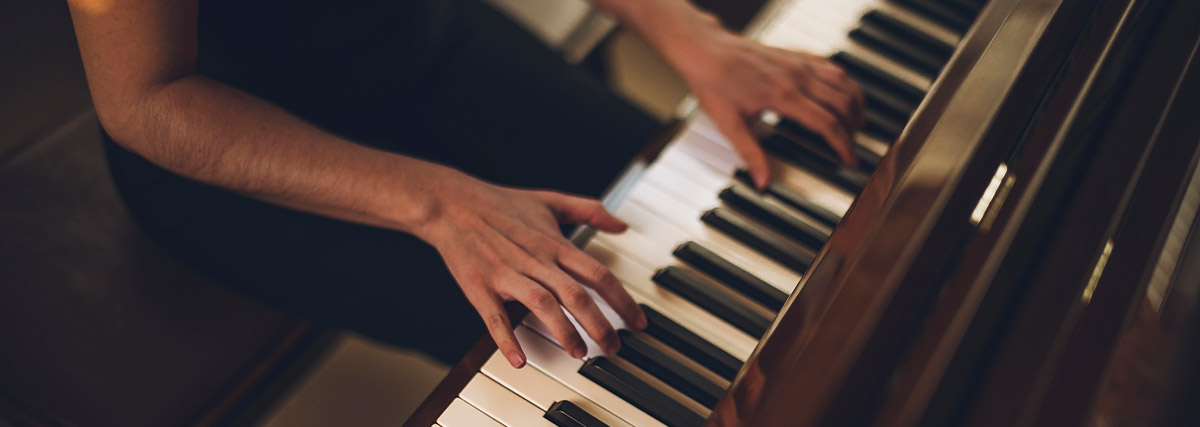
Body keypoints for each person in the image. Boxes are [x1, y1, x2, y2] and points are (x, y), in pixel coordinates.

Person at [67, 0, 864, 369]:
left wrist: (679, 27)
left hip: (411, 37)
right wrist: (439, 202)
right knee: (606, 349)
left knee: (724, 238)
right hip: (236, 135)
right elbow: (145, 100)